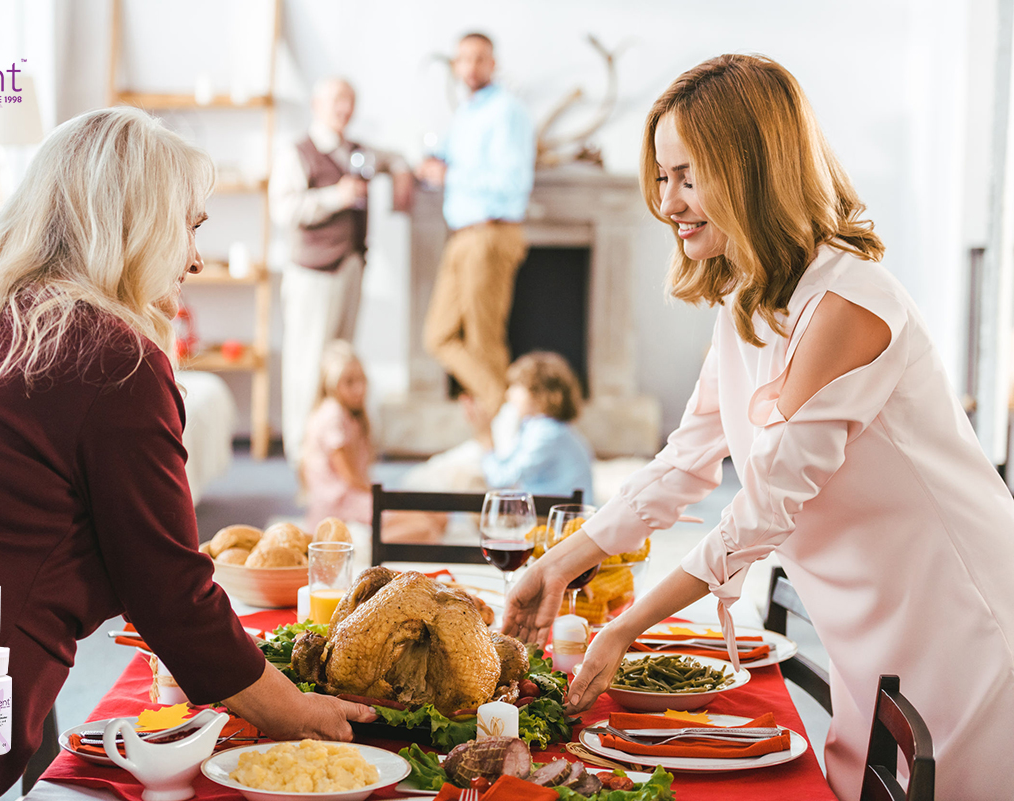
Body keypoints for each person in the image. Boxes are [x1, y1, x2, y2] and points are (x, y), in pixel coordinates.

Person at [0, 107, 374, 800]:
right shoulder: (111, 357)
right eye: (190, 225)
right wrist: (303, 714)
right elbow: (171, 593)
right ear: (135, 224)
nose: (197, 257)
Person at [502, 54, 1014, 801]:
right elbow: (683, 464)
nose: (668, 201)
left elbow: (764, 509)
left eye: (687, 175)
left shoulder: (849, 304)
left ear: (752, 169)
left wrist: (627, 626)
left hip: (958, 620)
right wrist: (558, 563)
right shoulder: (748, 300)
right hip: (869, 629)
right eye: (662, 176)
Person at [272, 77, 413, 466]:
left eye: (350, 100)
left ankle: (334, 443)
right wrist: (337, 197)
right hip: (313, 272)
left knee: (340, 361)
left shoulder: (359, 151)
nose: (344, 108)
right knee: (307, 361)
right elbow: (283, 210)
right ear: (317, 104)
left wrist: (401, 173)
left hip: (352, 266)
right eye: (336, 100)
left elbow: (395, 158)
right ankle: (302, 452)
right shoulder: (296, 152)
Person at [418, 32, 536, 418]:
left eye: (479, 58)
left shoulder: (507, 111)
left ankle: (509, 426)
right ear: (455, 66)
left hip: (491, 233)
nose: (470, 67)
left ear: (494, 63)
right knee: (438, 336)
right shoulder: (467, 113)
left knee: (486, 342)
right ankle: (506, 412)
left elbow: (512, 182)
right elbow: (448, 159)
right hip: (463, 235)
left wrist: (449, 175)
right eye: (463, 59)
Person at [464, 351, 594, 503]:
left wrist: (485, 438)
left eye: (516, 386)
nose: (508, 394)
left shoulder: (547, 432)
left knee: (474, 499)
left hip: (557, 513)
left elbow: (502, 479)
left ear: (539, 394)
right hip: (545, 505)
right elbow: (508, 464)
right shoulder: (535, 427)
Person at [299, 340, 373, 529]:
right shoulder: (333, 414)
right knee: (424, 526)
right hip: (339, 508)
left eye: (362, 380)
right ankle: (360, 545)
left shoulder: (348, 415)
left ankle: (365, 541)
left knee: (435, 520)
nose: (359, 389)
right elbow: (350, 477)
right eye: (349, 382)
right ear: (331, 384)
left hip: (350, 502)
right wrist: (383, 496)